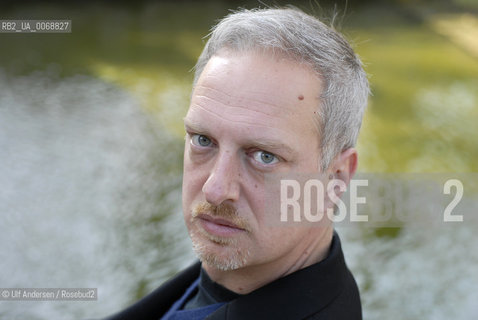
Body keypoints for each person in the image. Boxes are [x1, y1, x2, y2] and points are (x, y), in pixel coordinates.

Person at [105, 6, 369, 320]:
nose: (215, 189)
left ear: (335, 179)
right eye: (203, 140)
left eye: (264, 157)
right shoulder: (225, 281)